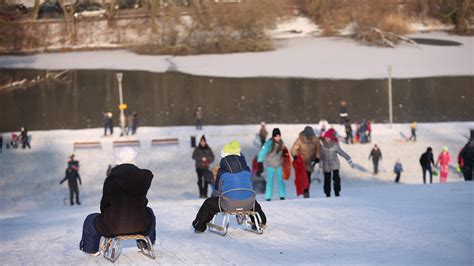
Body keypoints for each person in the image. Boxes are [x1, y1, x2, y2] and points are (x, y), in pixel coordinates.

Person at [79, 147, 156, 256]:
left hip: (114, 226)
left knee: (91, 219)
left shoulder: (111, 180)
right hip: (141, 225)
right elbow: (143, 202)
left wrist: (108, 215)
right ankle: (146, 245)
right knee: (149, 213)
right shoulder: (143, 179)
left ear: (117, 161)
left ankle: (92, 250)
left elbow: (104, 204)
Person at [192, 141, 266, 233]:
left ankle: (199, 226)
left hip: (228, 204)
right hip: (248, 204)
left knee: (209, 203)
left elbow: (217, 191)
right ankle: (261, 221)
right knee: (254, 203)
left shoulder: (222, 171)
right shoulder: (247, 169)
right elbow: (249, 184)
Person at [320, 128, 353, 197]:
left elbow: (342, 153)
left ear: (331, 138)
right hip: (326, 165)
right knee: (327, 180)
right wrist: (320, 161)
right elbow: (321, 155)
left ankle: (337, 193)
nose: (327, 139)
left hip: (334, 164)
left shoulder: (335, 145)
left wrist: (348, 159)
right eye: (326, 137)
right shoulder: (322, 146)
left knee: (336, 178)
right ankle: (327, 194)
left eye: (328, 137)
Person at [290, 126, 321, 198]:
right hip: (301, 161)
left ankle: (306, 190)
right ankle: (304, 191)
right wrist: (295, 156)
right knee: (303, 177)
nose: (310, 136)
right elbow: (293, 149)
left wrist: (317, 157)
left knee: (308, 177)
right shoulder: (300, 140)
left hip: (310, 162)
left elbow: (318, 148)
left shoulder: (315, 139)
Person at [257, 128, 287, 201]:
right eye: (276, 136)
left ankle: (282, 195)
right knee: (269, 181)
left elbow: (284, 152)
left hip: (279, 164)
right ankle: (268, 197)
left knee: (281, 181)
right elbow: (262, 152)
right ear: (273, 136)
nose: (278, 138)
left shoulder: (282, 143)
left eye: (279, 136)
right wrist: (260, 162)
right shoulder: (268, 143)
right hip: (270, 165)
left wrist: (285, 156)